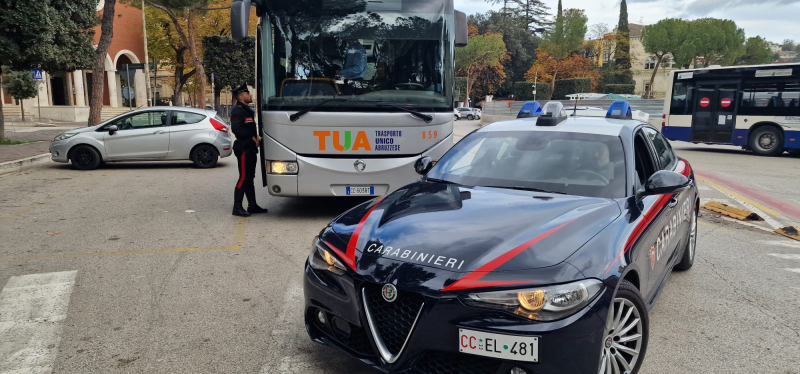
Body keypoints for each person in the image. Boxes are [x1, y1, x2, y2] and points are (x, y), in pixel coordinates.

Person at [230, 84, 268, 217]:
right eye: (248, 94)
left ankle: (252, 205)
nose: (250, 95)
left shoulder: (246, 109)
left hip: (250, 148)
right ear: (241, 97)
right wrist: (252, 138)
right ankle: (237, 207)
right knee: (244, 177)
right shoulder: (238, 111)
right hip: (244, 148)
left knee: (250, 178)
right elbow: (236, 129)